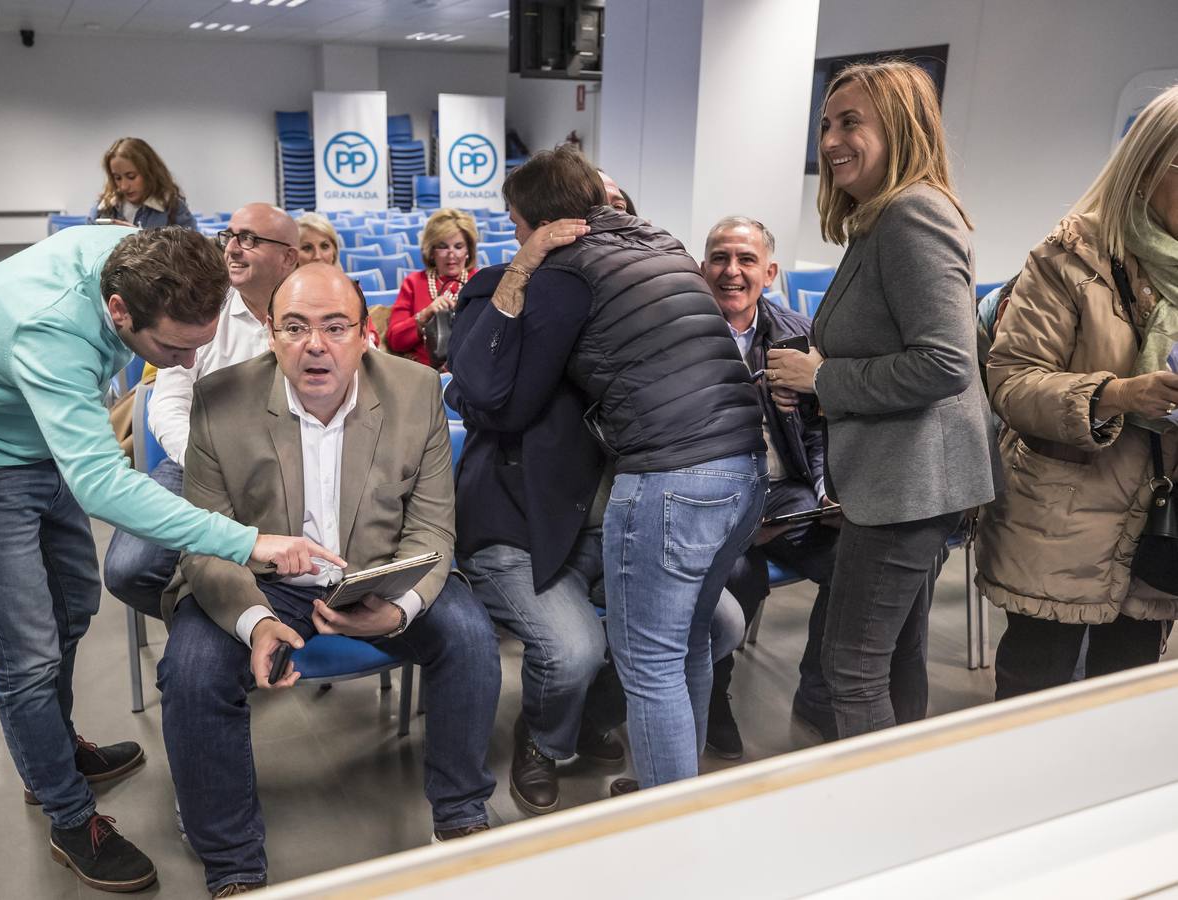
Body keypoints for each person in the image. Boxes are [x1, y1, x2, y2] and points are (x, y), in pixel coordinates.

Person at [0, 226, 325, 894]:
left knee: (72, 610)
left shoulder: (138, 250)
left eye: (198, 346)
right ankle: (67, 813)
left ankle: (54, 749)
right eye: (171, 349)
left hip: (36, 437)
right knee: (27, 652)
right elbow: (103, 486)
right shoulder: (52, 335)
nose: (183, 367)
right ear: (119, 310)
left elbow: (18, 281)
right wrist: (248, 541)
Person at [157, 264, 501, 896]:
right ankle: (232, 863)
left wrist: (397, 611)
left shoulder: (417, 389)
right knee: (192, 669)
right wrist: (255, 620)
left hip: (380, 571)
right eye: (295, 327)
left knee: (470, 638)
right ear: (270, 333)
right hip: (260, 579)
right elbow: (204, 543)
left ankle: (460, 820)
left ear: (364, 333)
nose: (315, 344)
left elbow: (431, 532)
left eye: (335, 327)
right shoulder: (219, 399)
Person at [450, 145, 766, 791]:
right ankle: (669, 790)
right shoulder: (665, 247)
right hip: (742, 469)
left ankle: (664, 817)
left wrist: (537, 255)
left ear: (544, 221)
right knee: (690, 642)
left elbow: (501, 398)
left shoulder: (571, 271)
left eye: (517, 223)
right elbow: (478, 390)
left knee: (652, 662)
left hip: (671, 477)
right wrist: (521, 265)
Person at [765, 60, 998, 739]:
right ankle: (904, 799)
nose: (832, 140)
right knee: (895, 658)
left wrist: (822, 380)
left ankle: (873, 820)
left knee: (853, 668)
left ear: (898, 128)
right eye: (827, 125)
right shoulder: (881, 219)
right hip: (902, 481)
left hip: (908, 487)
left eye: (852, 123)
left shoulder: (914, 215)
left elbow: (946, 362)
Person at [978, 83, 1178, 699]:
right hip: (1060, 530)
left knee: (1117, 711)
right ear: (1146, 166)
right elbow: (1011, 382)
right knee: (1033, 703)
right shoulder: (1071, 256)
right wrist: (1118, 395)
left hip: (1160, 531)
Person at [449, 266, 628, 815]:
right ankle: (544, 738)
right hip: (513, 527)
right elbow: (468, 390)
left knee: (715, 623)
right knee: (574, 650)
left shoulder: (638, 326)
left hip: (610, 527)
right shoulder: (516, 300)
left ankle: (583, 714)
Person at [103, 204, 301, 618]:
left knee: (303, 562)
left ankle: (262, 624)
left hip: (295, 464)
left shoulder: (316, 308)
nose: (232, 249)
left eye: (250, 239)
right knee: (128, 570)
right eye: (230, 236)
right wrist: (203, 461)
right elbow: (168, 404)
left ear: (288, 257)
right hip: (196, 459)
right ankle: (225, 621)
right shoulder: (201, 306)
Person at [699, 216, 839, 752]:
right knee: (737, 574)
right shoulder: (681, 332)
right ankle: (714, 698)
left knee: (854, 556)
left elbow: (819, 431)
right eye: (720, 258)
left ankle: (820, 692)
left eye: (746, 260)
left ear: (771, 272)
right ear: (701, 266)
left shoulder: (797, 335)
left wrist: (825, 491)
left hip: (784, 492)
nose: (731, 272)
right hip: (707, 498)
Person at [386, 208, 479, 368]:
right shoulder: (414, 283)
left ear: (468, 251)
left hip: (468, 372)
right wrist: (424, 316)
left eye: (458, 246)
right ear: (431, 252)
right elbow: (395, 340)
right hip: (422, 373)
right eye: (443, 247)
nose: (451, 254)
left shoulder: (479, 282)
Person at [89, 137, 197, 230]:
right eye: (117, 178)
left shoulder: (174, 208)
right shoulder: (102, 209)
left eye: (131, 177)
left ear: (149, 172)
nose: (124, 186)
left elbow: (192, 250)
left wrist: (140, 239)